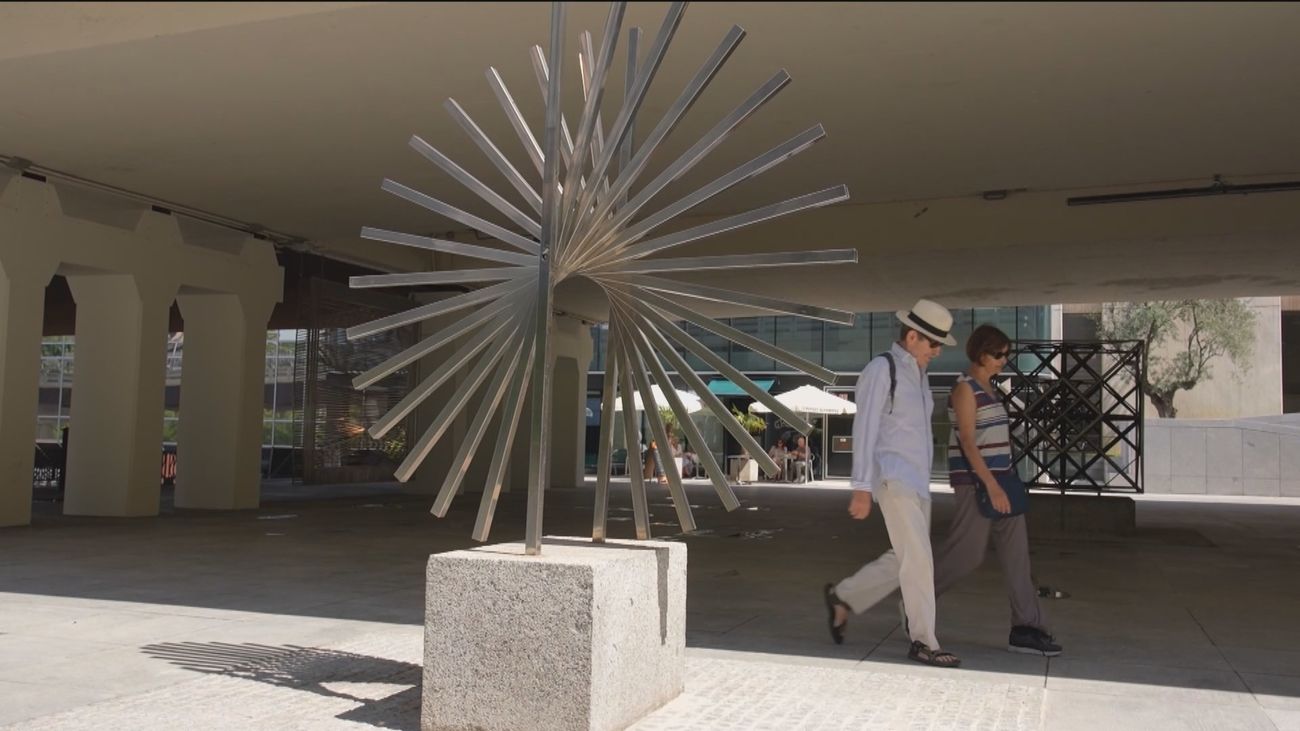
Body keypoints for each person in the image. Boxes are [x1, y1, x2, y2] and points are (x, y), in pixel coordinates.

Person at [823, 299, 961, 668]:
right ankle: (923, 640)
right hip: (894, 479)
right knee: (919, 562)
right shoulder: (881, 369)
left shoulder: (919, 374)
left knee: (904, 558)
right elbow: (865, 427)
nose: (937, 351)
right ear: (912, 336)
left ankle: (843, 596)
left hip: (917, 483)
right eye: (933, 343)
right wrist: (861, 486)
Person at [934, 324, 1063, 656]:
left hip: (1003, 482)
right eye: (998, 354)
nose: (1004, 360)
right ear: (980, 353)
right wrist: (991, 486)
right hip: (977, 484)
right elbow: (967, 441)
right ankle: (918, 601)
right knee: (967, 555)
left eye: (1007, 354)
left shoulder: (990, 389)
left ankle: (1026, 628)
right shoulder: (964, 389)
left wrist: (1003, 483)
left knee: (1017, 557)